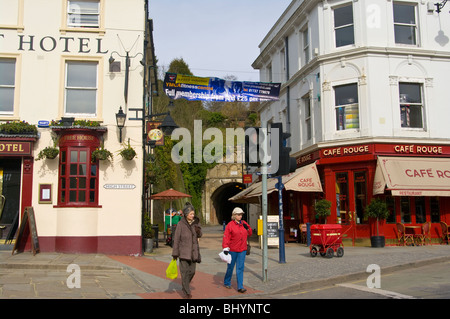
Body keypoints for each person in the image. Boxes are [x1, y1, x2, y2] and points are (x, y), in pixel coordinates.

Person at [171, 203, 202, 299]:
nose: (193, 216)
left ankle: (185, 285)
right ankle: (187, 292)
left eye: (193, 214)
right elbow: (176, 239)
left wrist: (198, 231)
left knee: (192, 271)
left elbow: (200, 235)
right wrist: (175, 253)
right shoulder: (181, 224)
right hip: (183, 252)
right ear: (185, 214)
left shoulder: (196, 222)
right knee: (184, 272)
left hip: (193, 252)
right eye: (191, 214)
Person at [222, 207, 252, 293]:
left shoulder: (244, 223)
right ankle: (227, 282)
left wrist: (248, 228)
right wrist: (225, 247)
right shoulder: (230, 225)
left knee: (240, 268)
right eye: (238, 215)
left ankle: (240, 286)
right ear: (234, 215)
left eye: (241, 214)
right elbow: (226, 237)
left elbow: (250, 233)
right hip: (232, 250)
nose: (240, 216)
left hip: (242, 249)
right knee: (230, 267)